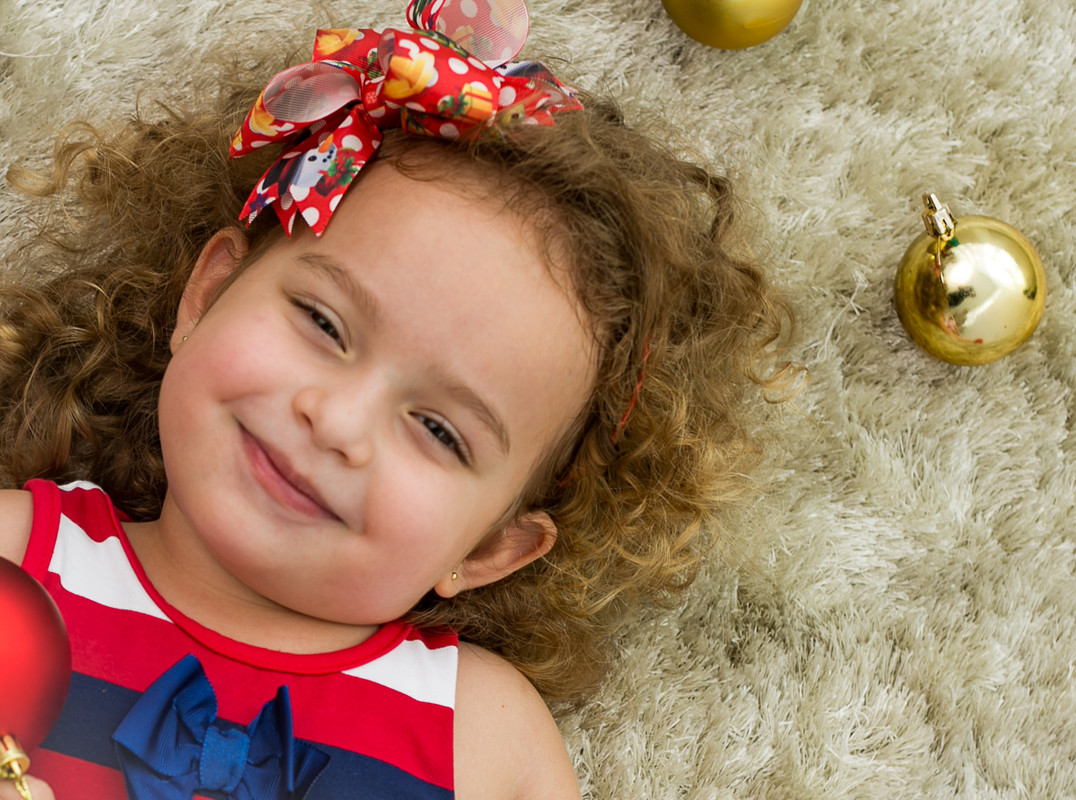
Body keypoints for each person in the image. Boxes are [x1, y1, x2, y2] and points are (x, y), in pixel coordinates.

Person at [0, 1, 796, 797]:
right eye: (322, 321)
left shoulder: (482, 736)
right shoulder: (16, 560)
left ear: (488, 550)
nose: (337, 422)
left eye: (440, 432)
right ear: (207, 296)